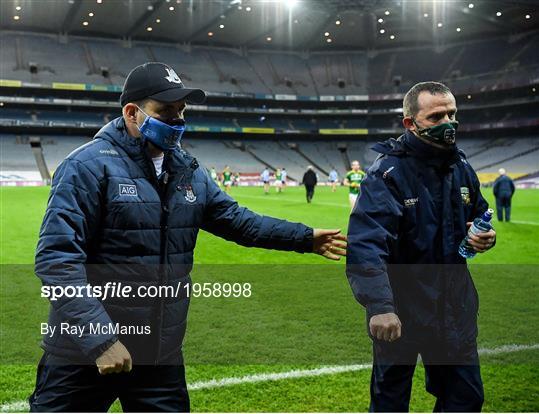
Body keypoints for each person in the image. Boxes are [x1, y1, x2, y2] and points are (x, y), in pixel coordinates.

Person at [30, 62, 348, 412]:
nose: (177, 121)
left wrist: (304, 238)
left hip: (159, 355)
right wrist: (100, 339)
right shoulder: (86, 167)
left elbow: (241, 222)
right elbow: (57, 260)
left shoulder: (187, 170)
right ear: (132, 113)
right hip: (80, 356)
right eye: (165, 111)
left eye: (181, 111)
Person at [346, 81, 496, 412]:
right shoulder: (387, 173)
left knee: (466, 398)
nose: (449, 123)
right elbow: (366, 243)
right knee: (390, 402)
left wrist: (484, 236)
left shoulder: (461, 166)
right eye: (436, 116)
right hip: (402, 310)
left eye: (452, 114)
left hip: (455, 309)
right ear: (410, 123)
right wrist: (380, 305)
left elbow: (478, 216)